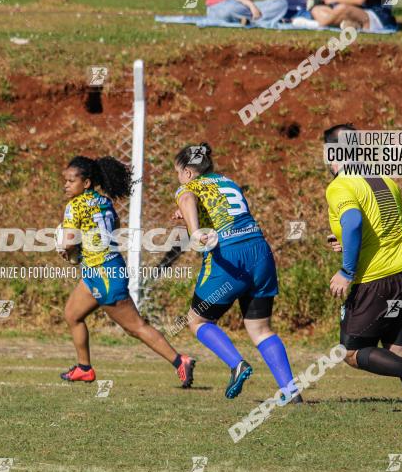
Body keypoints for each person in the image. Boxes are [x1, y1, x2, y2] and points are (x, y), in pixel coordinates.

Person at [323, 123, 402, 439]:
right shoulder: (385, 180)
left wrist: (347, 271)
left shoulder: (339, 185)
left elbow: (352, 221)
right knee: (399, 349)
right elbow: (391, 225)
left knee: (352, 352)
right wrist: (346, 241)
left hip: (377, 279)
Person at [172, 143, 300, 401]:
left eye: (177, 172)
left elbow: (187, 198)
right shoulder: (228, 182)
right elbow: (223, 210)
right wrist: (190, 217)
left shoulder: (188, 186)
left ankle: (237, 364)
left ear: (187, 171)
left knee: (197, 321)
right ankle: (291, 392)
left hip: (229, 254)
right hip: (260, 251)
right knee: (261, 329)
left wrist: (195, 230)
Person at [57, 155, 196, 387]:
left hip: (103, 274)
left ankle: (180, 361)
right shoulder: (104, 201)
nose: (66, 185)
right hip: (102, 269)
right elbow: (115, 228)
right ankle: (84, 368)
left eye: (71, 181)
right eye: (66, 181)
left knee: (136, 327)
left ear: (87, 183)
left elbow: (70, 242)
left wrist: (64, 248)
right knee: (72, 314)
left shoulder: (75, 205)